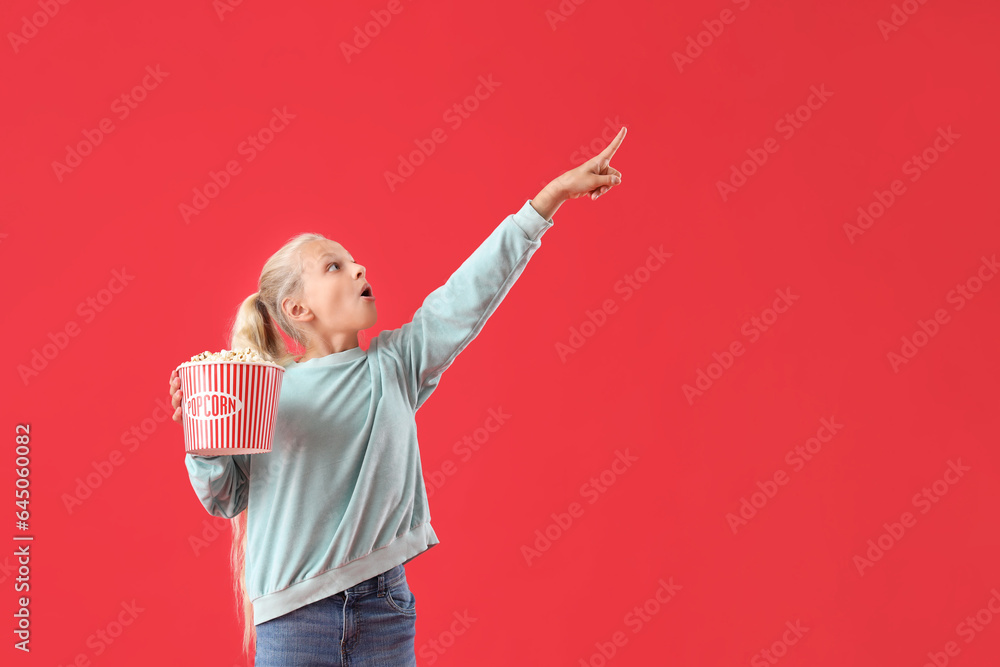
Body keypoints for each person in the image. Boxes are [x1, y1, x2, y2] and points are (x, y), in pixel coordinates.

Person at [168, 127, 627, 666]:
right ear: (297, 310)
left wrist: (545, 203)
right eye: (334, 266)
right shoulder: (263, 391)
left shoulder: (395, 365)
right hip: (292, 620)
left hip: (383, 607)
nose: (359, 268)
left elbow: (465, 296)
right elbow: (224, 498)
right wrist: (203, 436)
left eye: (354, 260)